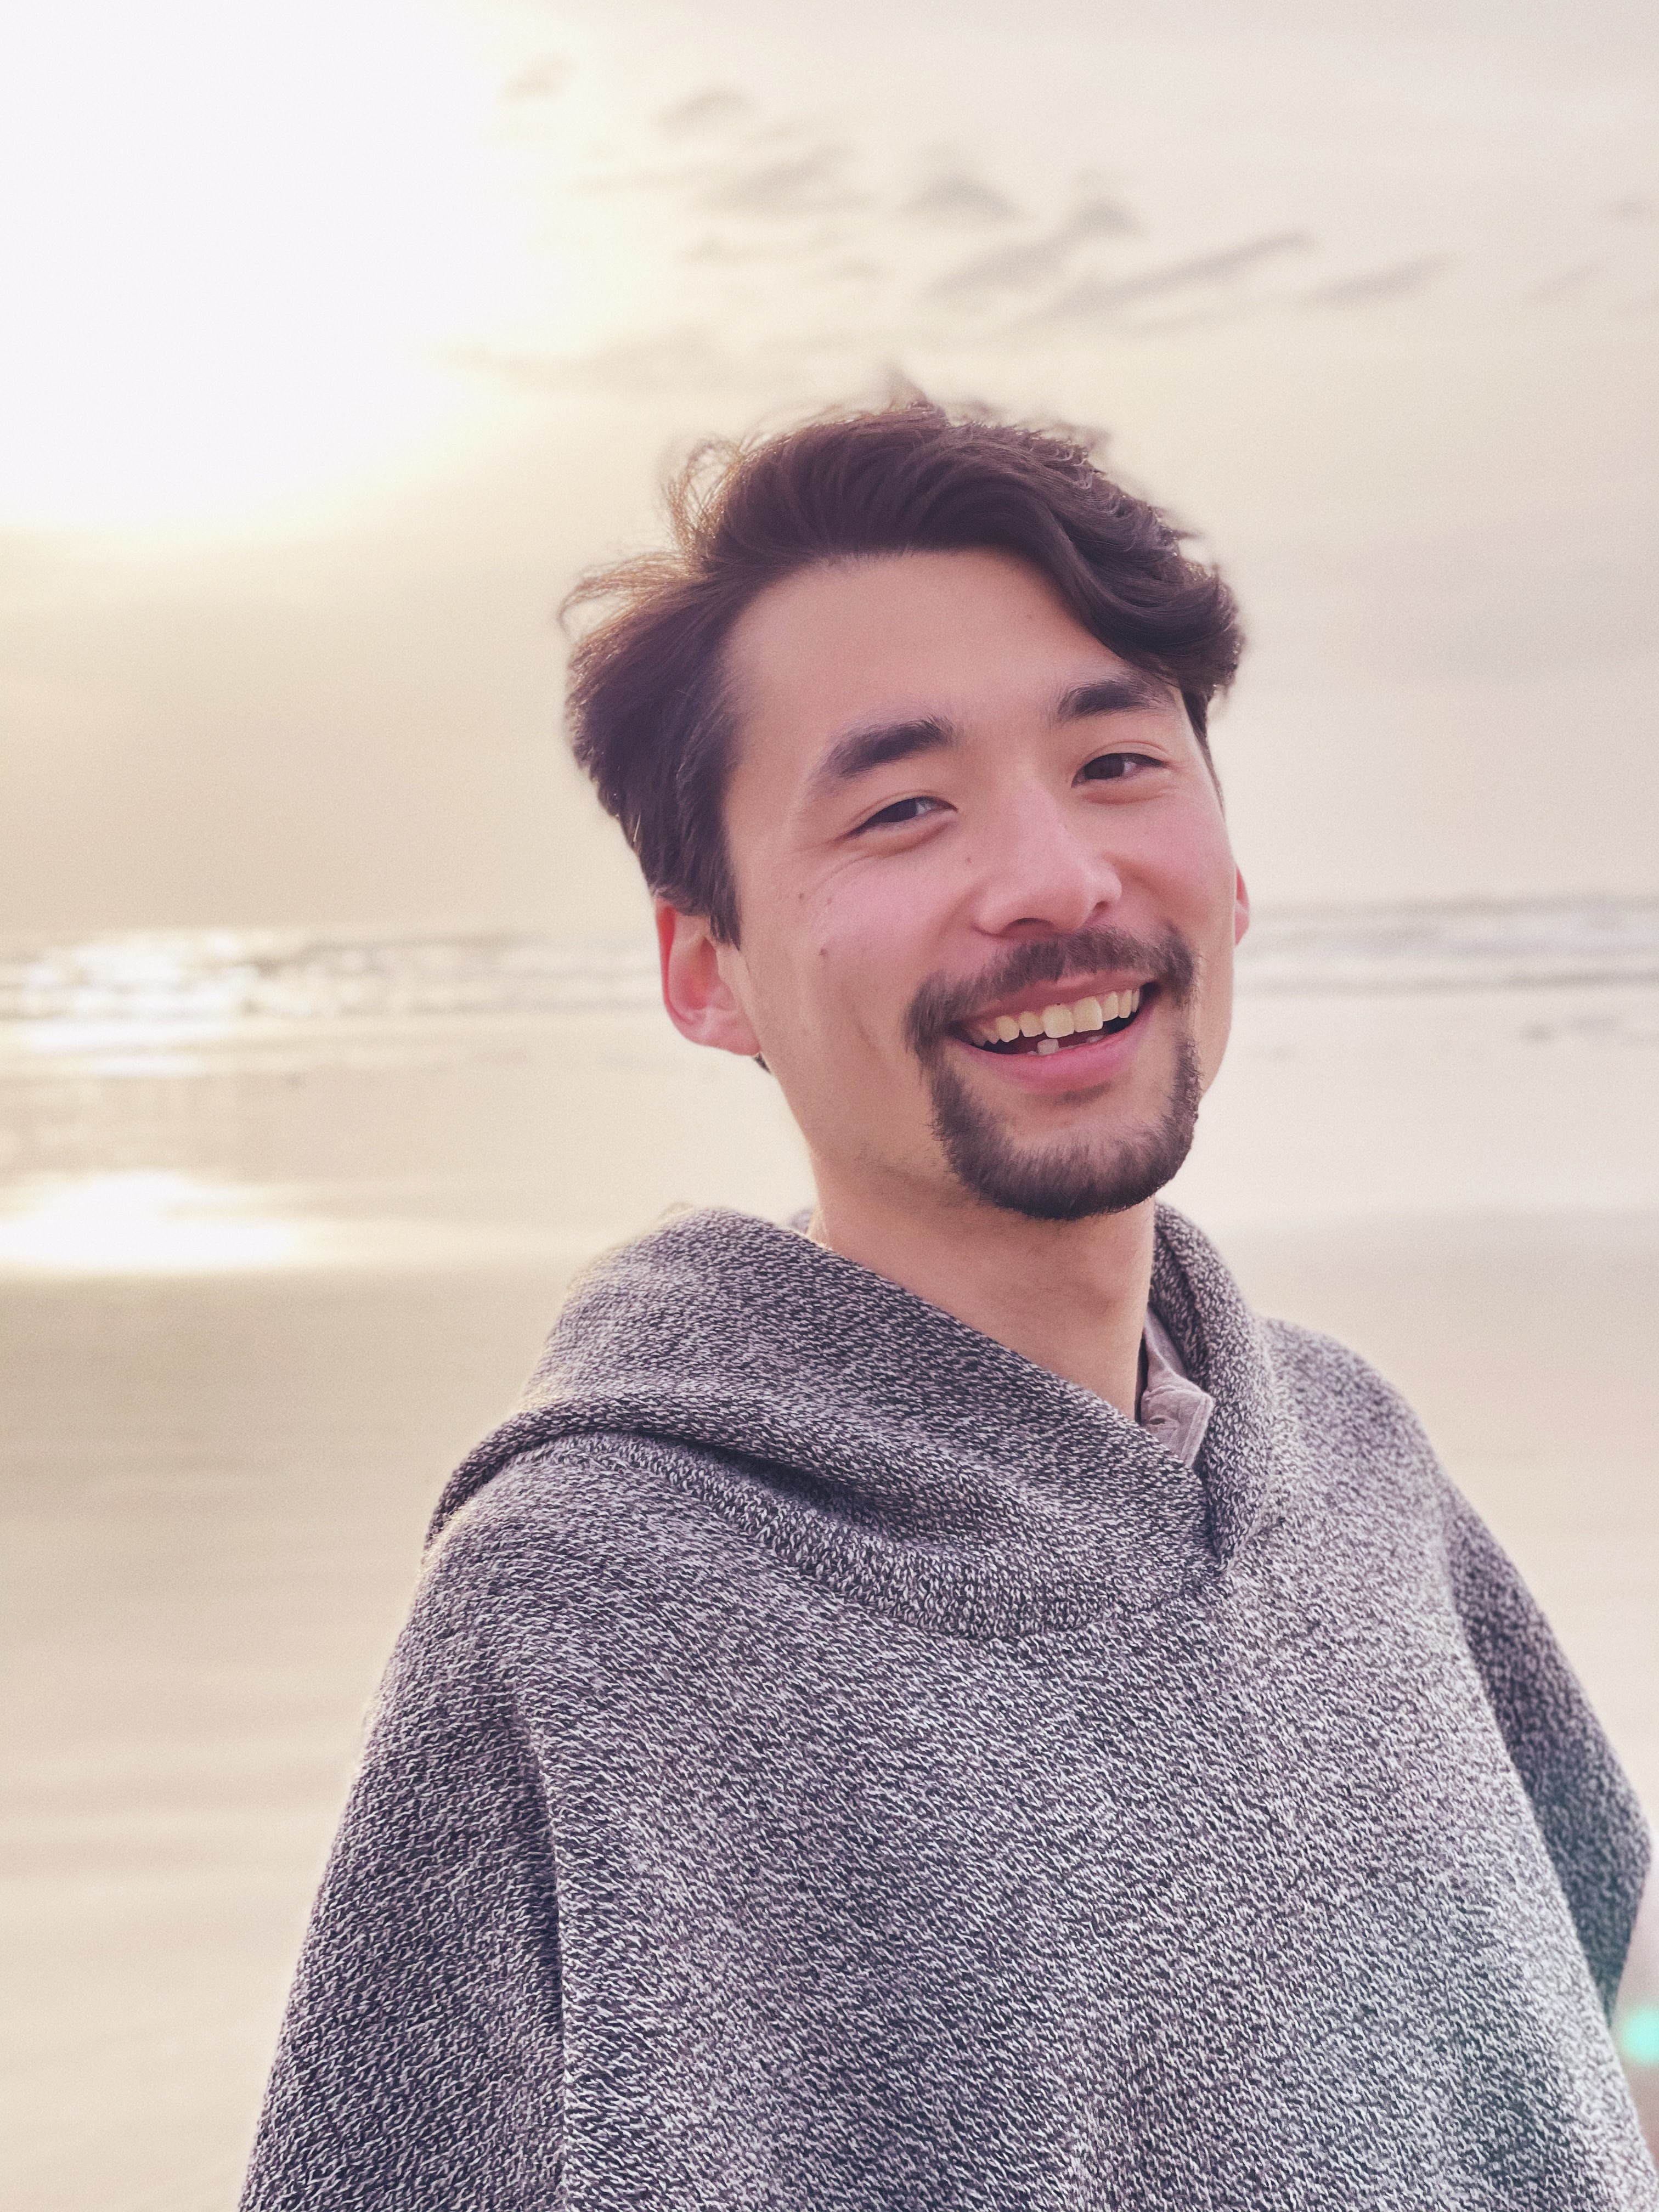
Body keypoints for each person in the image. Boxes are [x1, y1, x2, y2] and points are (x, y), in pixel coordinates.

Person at [240, 399, 1656, 2208]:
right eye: (903, 810)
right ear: (708, 968)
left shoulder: (1359, 1468)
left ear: (1230, 864)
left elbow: (1613, 2001)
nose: (1057, 881)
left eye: (1119, 765)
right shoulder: (594, 1605)